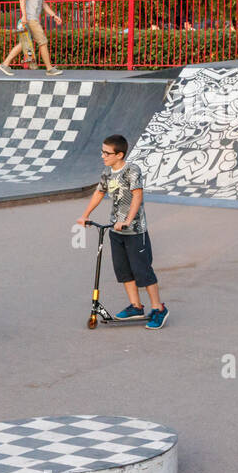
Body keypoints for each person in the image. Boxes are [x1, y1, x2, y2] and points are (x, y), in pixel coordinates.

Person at [76, 133, 168, 329]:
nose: (103, 156)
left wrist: (127, 220)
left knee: (143, 271)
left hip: (135, 231)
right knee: (124, 271)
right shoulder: (107, 172)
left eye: (107, 153)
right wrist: (85, 215)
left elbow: (137, 197)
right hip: (116, 231)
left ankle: (158, 308)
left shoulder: (132, 170)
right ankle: (136, 306)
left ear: (119, 154)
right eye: (102, 152)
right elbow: (99, 193)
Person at [0, 0, 63, 77]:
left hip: (33, 19)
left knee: (24, 43)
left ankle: (5, 64)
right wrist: (24, 16)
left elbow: (44, 4)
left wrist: (54, 15)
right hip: (31, 19)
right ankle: (49, 69)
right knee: (42, 42)